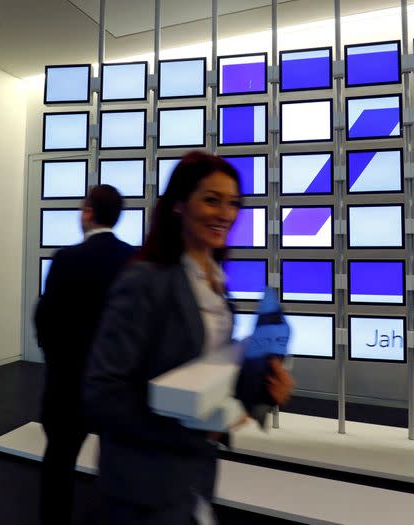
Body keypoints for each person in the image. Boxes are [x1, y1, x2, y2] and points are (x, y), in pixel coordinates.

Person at [84, 151, 294, 524]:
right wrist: (194, 434)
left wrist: (264, 390)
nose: (225, 213)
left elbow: (209, 374)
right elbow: (103, 393)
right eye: (212, 200)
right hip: (143, 487)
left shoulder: (216, 281)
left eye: (233, 203)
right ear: (179, 205)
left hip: (194, 476)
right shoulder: (144, 280)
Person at [34, 184, 135, 525]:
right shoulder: (134, 260)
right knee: (122, 470)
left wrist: (56, 362)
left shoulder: (66, 259)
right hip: (119, 389)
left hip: (68, 385)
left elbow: (45, 319)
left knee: (58, 465)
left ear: (89, 212)